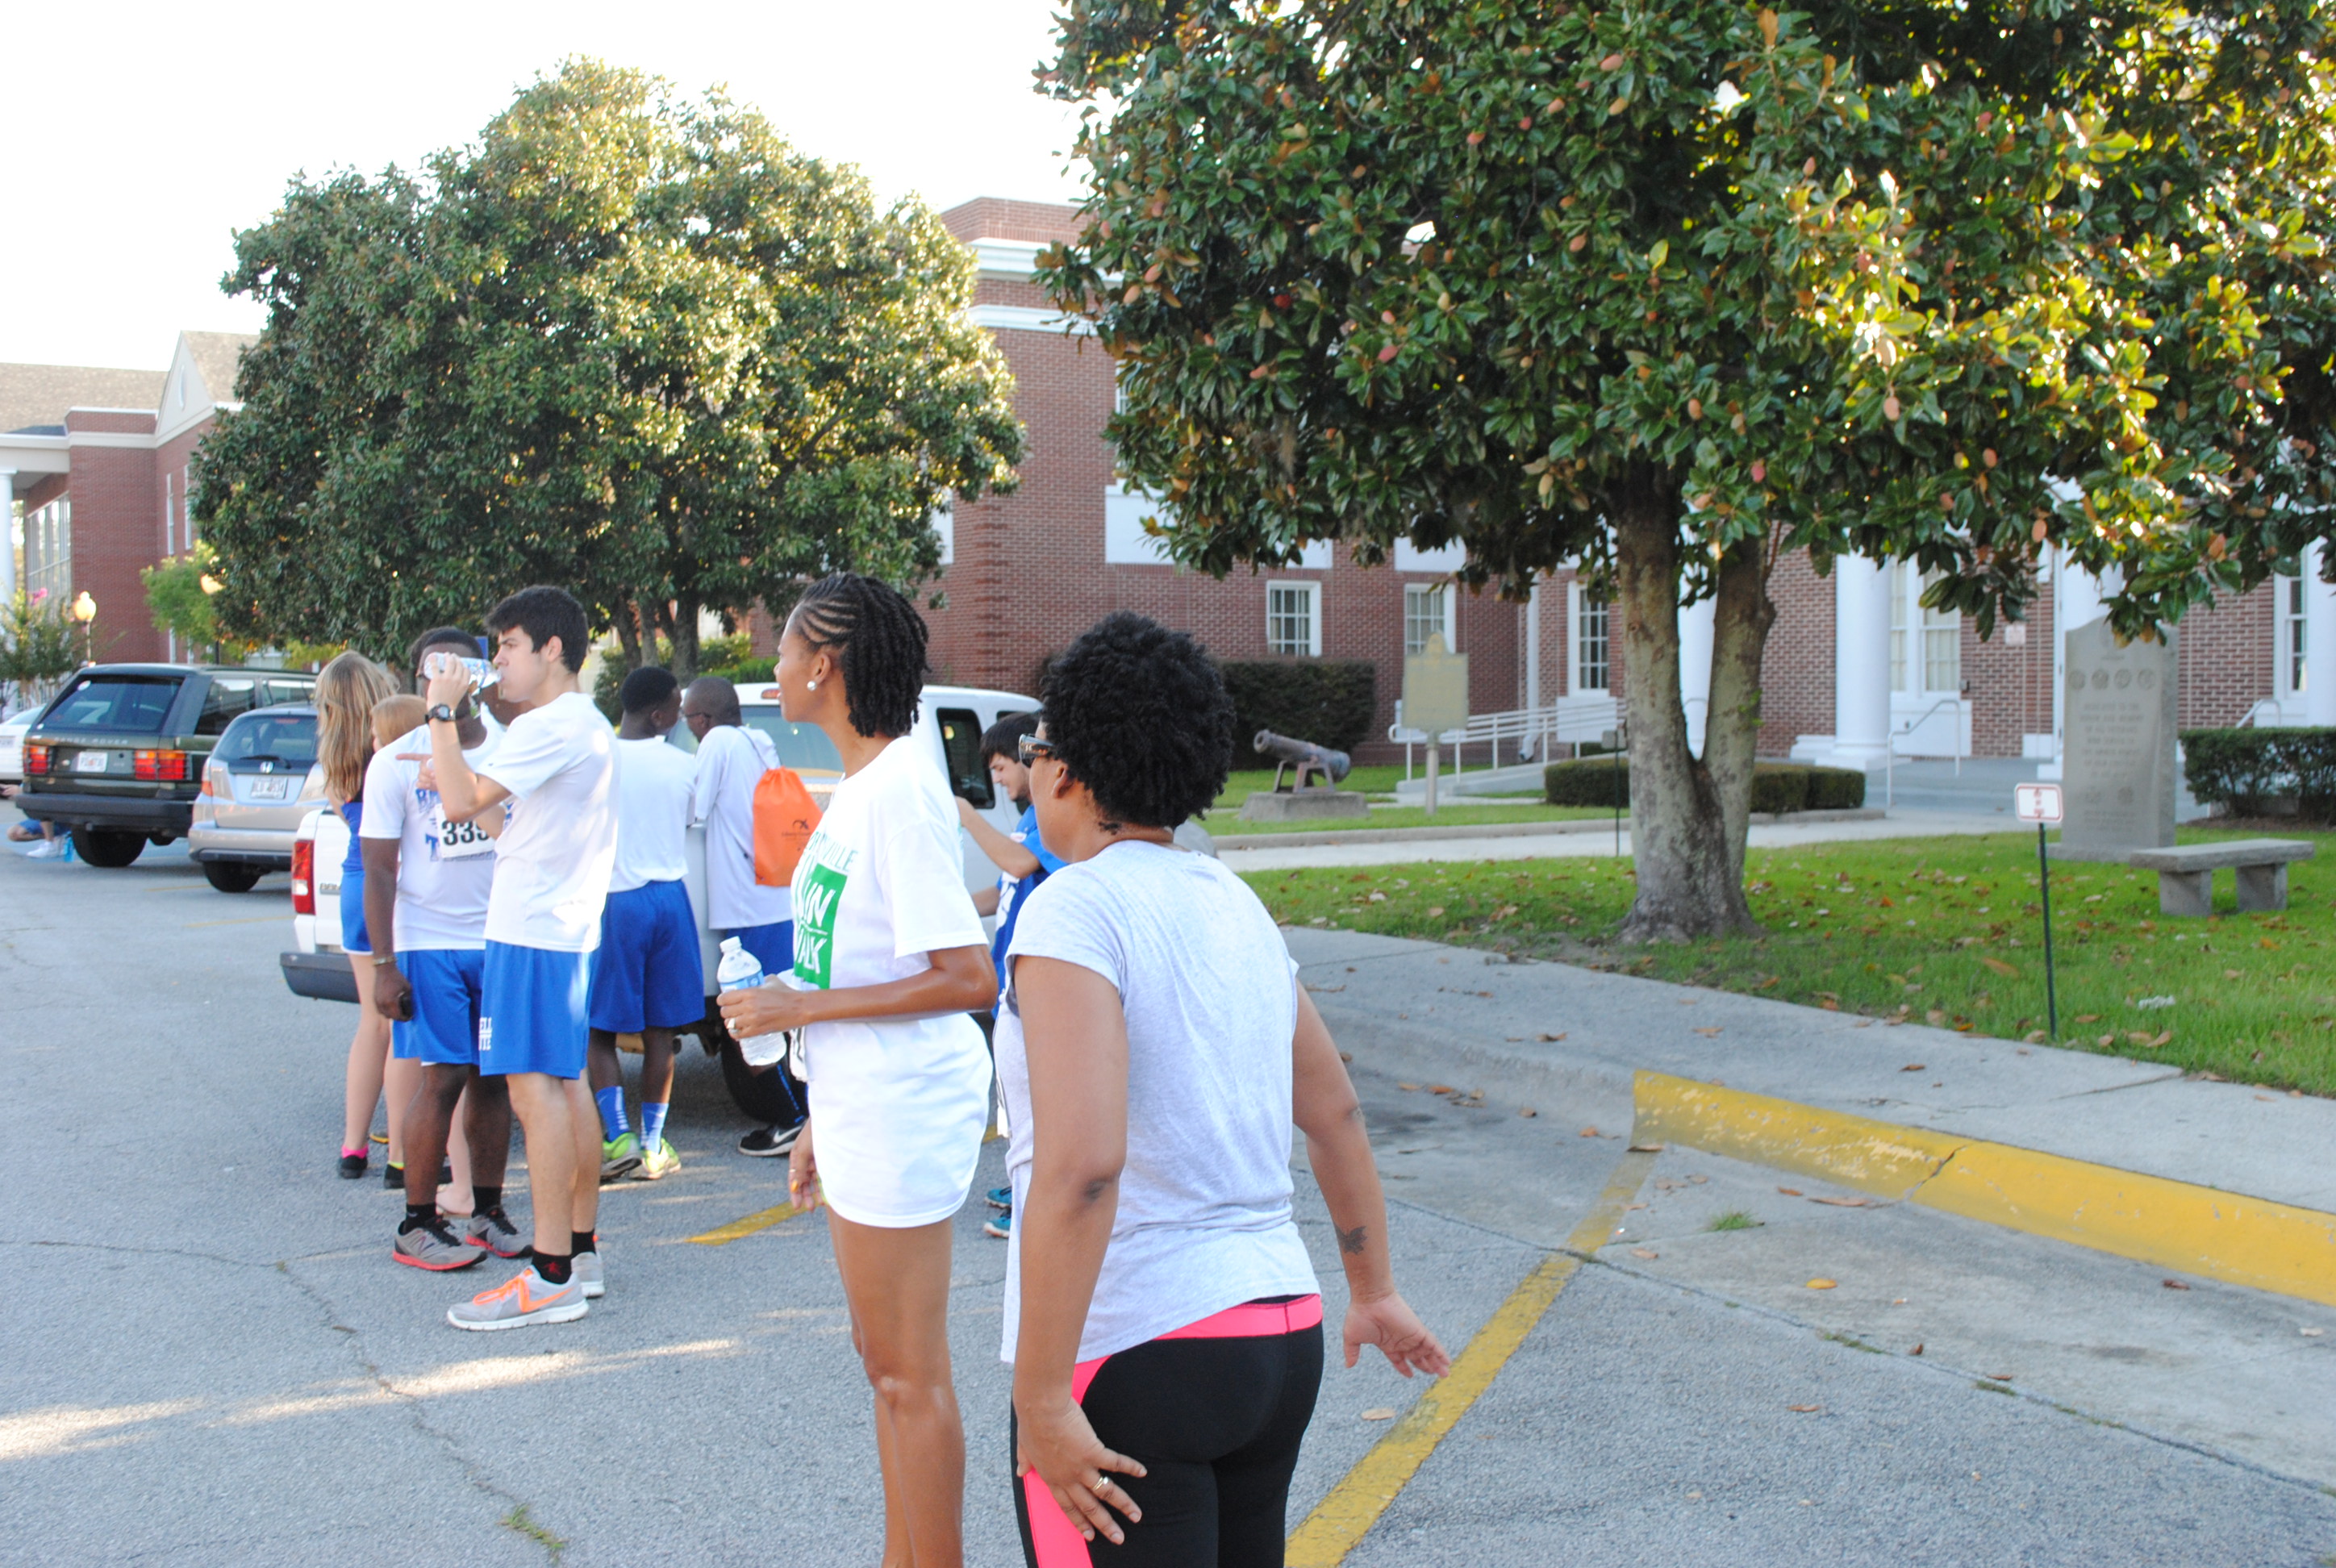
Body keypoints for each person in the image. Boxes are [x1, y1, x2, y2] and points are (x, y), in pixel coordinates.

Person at [1001, 612, 1450, 1566]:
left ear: (1070, 769)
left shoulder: (1073, 909)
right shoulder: (1229, 897)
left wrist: (1040, 1397)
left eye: (1036, 748)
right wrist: (1370, 1288)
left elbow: (1082, 1167)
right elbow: (1331, 1109)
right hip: (1275, 1335)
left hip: (1134, 1343)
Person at [719, 573, 999, 1568]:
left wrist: (801, 1009)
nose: (776, 664)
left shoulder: (901, 796)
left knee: (909, 1375)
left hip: (906, 1111)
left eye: (785, 647)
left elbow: (966, 974)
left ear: (825, 664)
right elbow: (858, 957)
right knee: (882, 1366)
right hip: (860, 1109)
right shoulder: (864, 790)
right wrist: (816, 1123)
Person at [424, 586, 618, 1330]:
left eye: (507, 646)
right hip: (554, 925)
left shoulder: (554, 723)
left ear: (551, 650)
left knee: (535, 1094)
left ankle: (550, 1275)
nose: (495, 660)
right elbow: (504, 816)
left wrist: (442, 713)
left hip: (534, 929)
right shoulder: (571, 725)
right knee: (563, 1088)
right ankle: (577, 1249)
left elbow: (460, 803)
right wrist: (453, 771)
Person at [363, 628, 528, 1272]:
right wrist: (384, 966)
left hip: (502, 936)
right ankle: (418, 1221)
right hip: (431, 943)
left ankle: (486, 1211)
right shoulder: (396, 761)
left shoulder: (515, 751)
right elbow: (377, 867)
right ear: (420, 679)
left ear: (482, 675)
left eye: (462, 668)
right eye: (436, 670)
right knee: (443, 1079)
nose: (450, 680)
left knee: (495, 1081)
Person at [587, 666, 703, 1182]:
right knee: (663, 1033)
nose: (680, 715)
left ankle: (618, 1139)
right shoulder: (684, 765)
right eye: (676, 707)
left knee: (600, 1028)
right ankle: (655, 1146)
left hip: (615, 898)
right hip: (669, 899)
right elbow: (689, 822)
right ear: (657, 715)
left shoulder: (597, 760)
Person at [682, 673, 804, 1157]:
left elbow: (692, 808)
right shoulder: (759, 742)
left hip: (749, 909)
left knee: (753, 1022)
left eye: (690, 716)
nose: (689, 726)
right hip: (777, 900)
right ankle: (805, 1114)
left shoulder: (717, 743)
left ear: (705, 718)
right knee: (786, 1016)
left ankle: (791, 1121)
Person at [957, 711, 1064, 1242]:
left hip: (1034, 986)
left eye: (1001, 766)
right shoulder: (1027, 819)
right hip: (1009, 978)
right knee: (1016, 1099)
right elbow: (1003, 887)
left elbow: (1020, 866)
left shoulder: (1044, 819)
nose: (998, 778)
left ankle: (1031, 1199)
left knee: (1033, 1099)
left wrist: (965, 816)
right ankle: (1022, 1183)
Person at [319, 650, 407, 1182]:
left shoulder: (336, 764)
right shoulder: (395, 755)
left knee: (371, 1020)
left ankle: (353, 1148)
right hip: (393, 882)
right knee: (404, 1023)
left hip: (355, 884)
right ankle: (403, 1152)